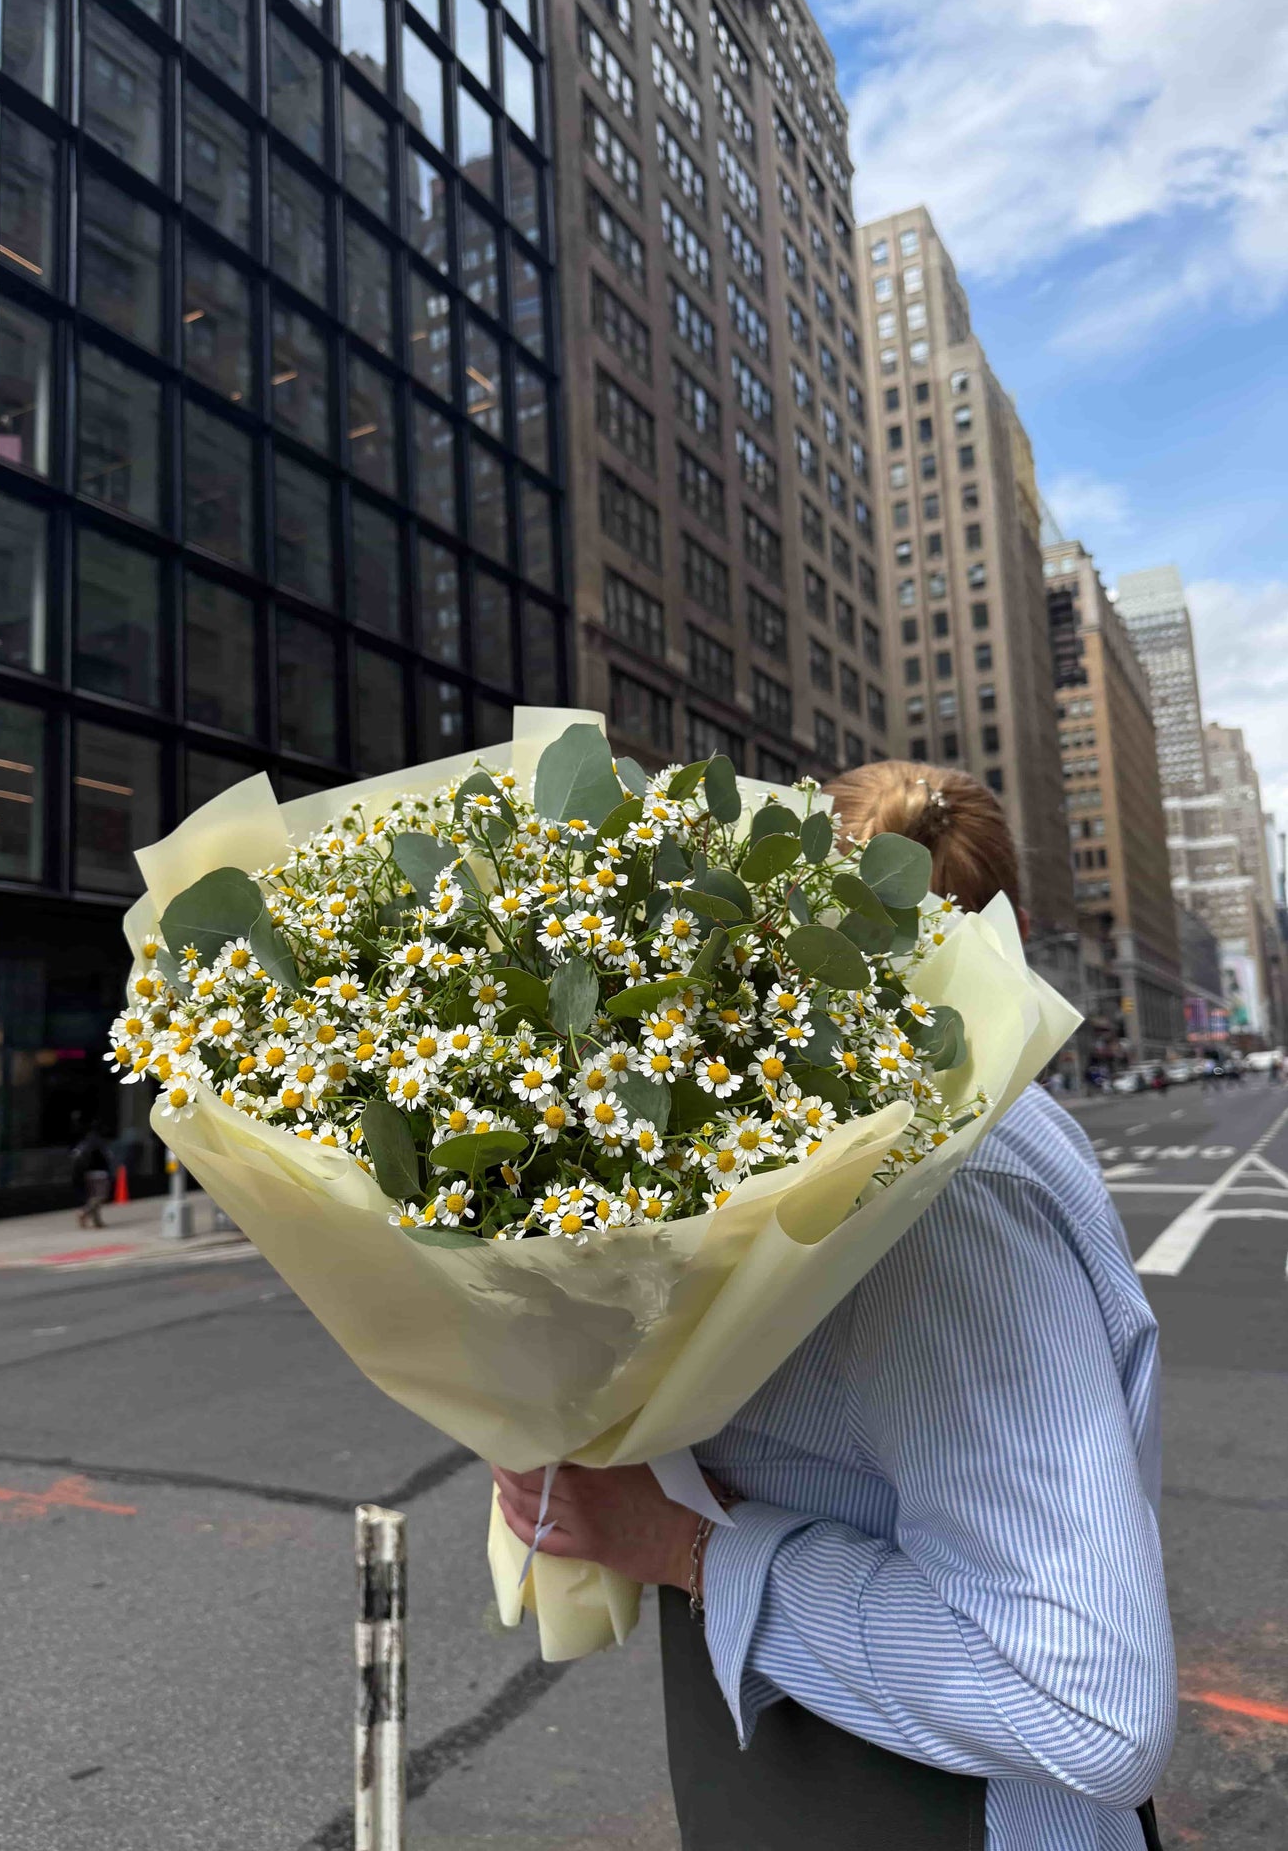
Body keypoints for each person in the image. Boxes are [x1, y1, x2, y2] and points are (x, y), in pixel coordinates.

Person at [495, 760, 1174, 1851]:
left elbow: (1084, 1708)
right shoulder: (871, 1137)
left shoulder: (941, 1179)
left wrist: (690, 1549)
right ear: (1012, 932)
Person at [70, 1126, 113, 1229]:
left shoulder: (82, 1145)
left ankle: (97, 1221)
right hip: (100, 1173)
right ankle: (84, 1212)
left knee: (93, 1197)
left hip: (87, 1174)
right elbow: (109, 1156)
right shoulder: (100, 1144)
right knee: (100, 1197)